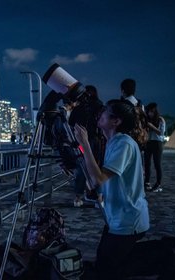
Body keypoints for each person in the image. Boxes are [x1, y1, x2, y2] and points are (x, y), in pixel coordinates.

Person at [74, 99, 150, 280]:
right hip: (117, 218)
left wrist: (84, 143)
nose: (100, 114)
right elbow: (100, 180)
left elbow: (99, 177)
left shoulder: (123, 144)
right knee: (107, 264)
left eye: (106, 112)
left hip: (128, 219)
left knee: (110, 269)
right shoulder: (114, 142)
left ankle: (166, 257)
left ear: (116, 121)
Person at [68, 85, 104, 207]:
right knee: (96, 167)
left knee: (81, 167)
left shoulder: (79, 108)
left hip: (81, 142)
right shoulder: (100, 106)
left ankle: (78, 197)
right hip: (96, 141)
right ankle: (98, 197)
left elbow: (70, 122)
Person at [143, 103, 166, 192]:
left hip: (157, 143)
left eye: (152, 111)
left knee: (157, 164)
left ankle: (158, 184)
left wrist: (151, 126)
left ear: (155, 112)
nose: (150, 113)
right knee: (147, 164)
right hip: (148, 143)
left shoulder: (160, 119)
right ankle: (147, 182)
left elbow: (161, 132)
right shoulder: (146, 120)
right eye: (148, 111)